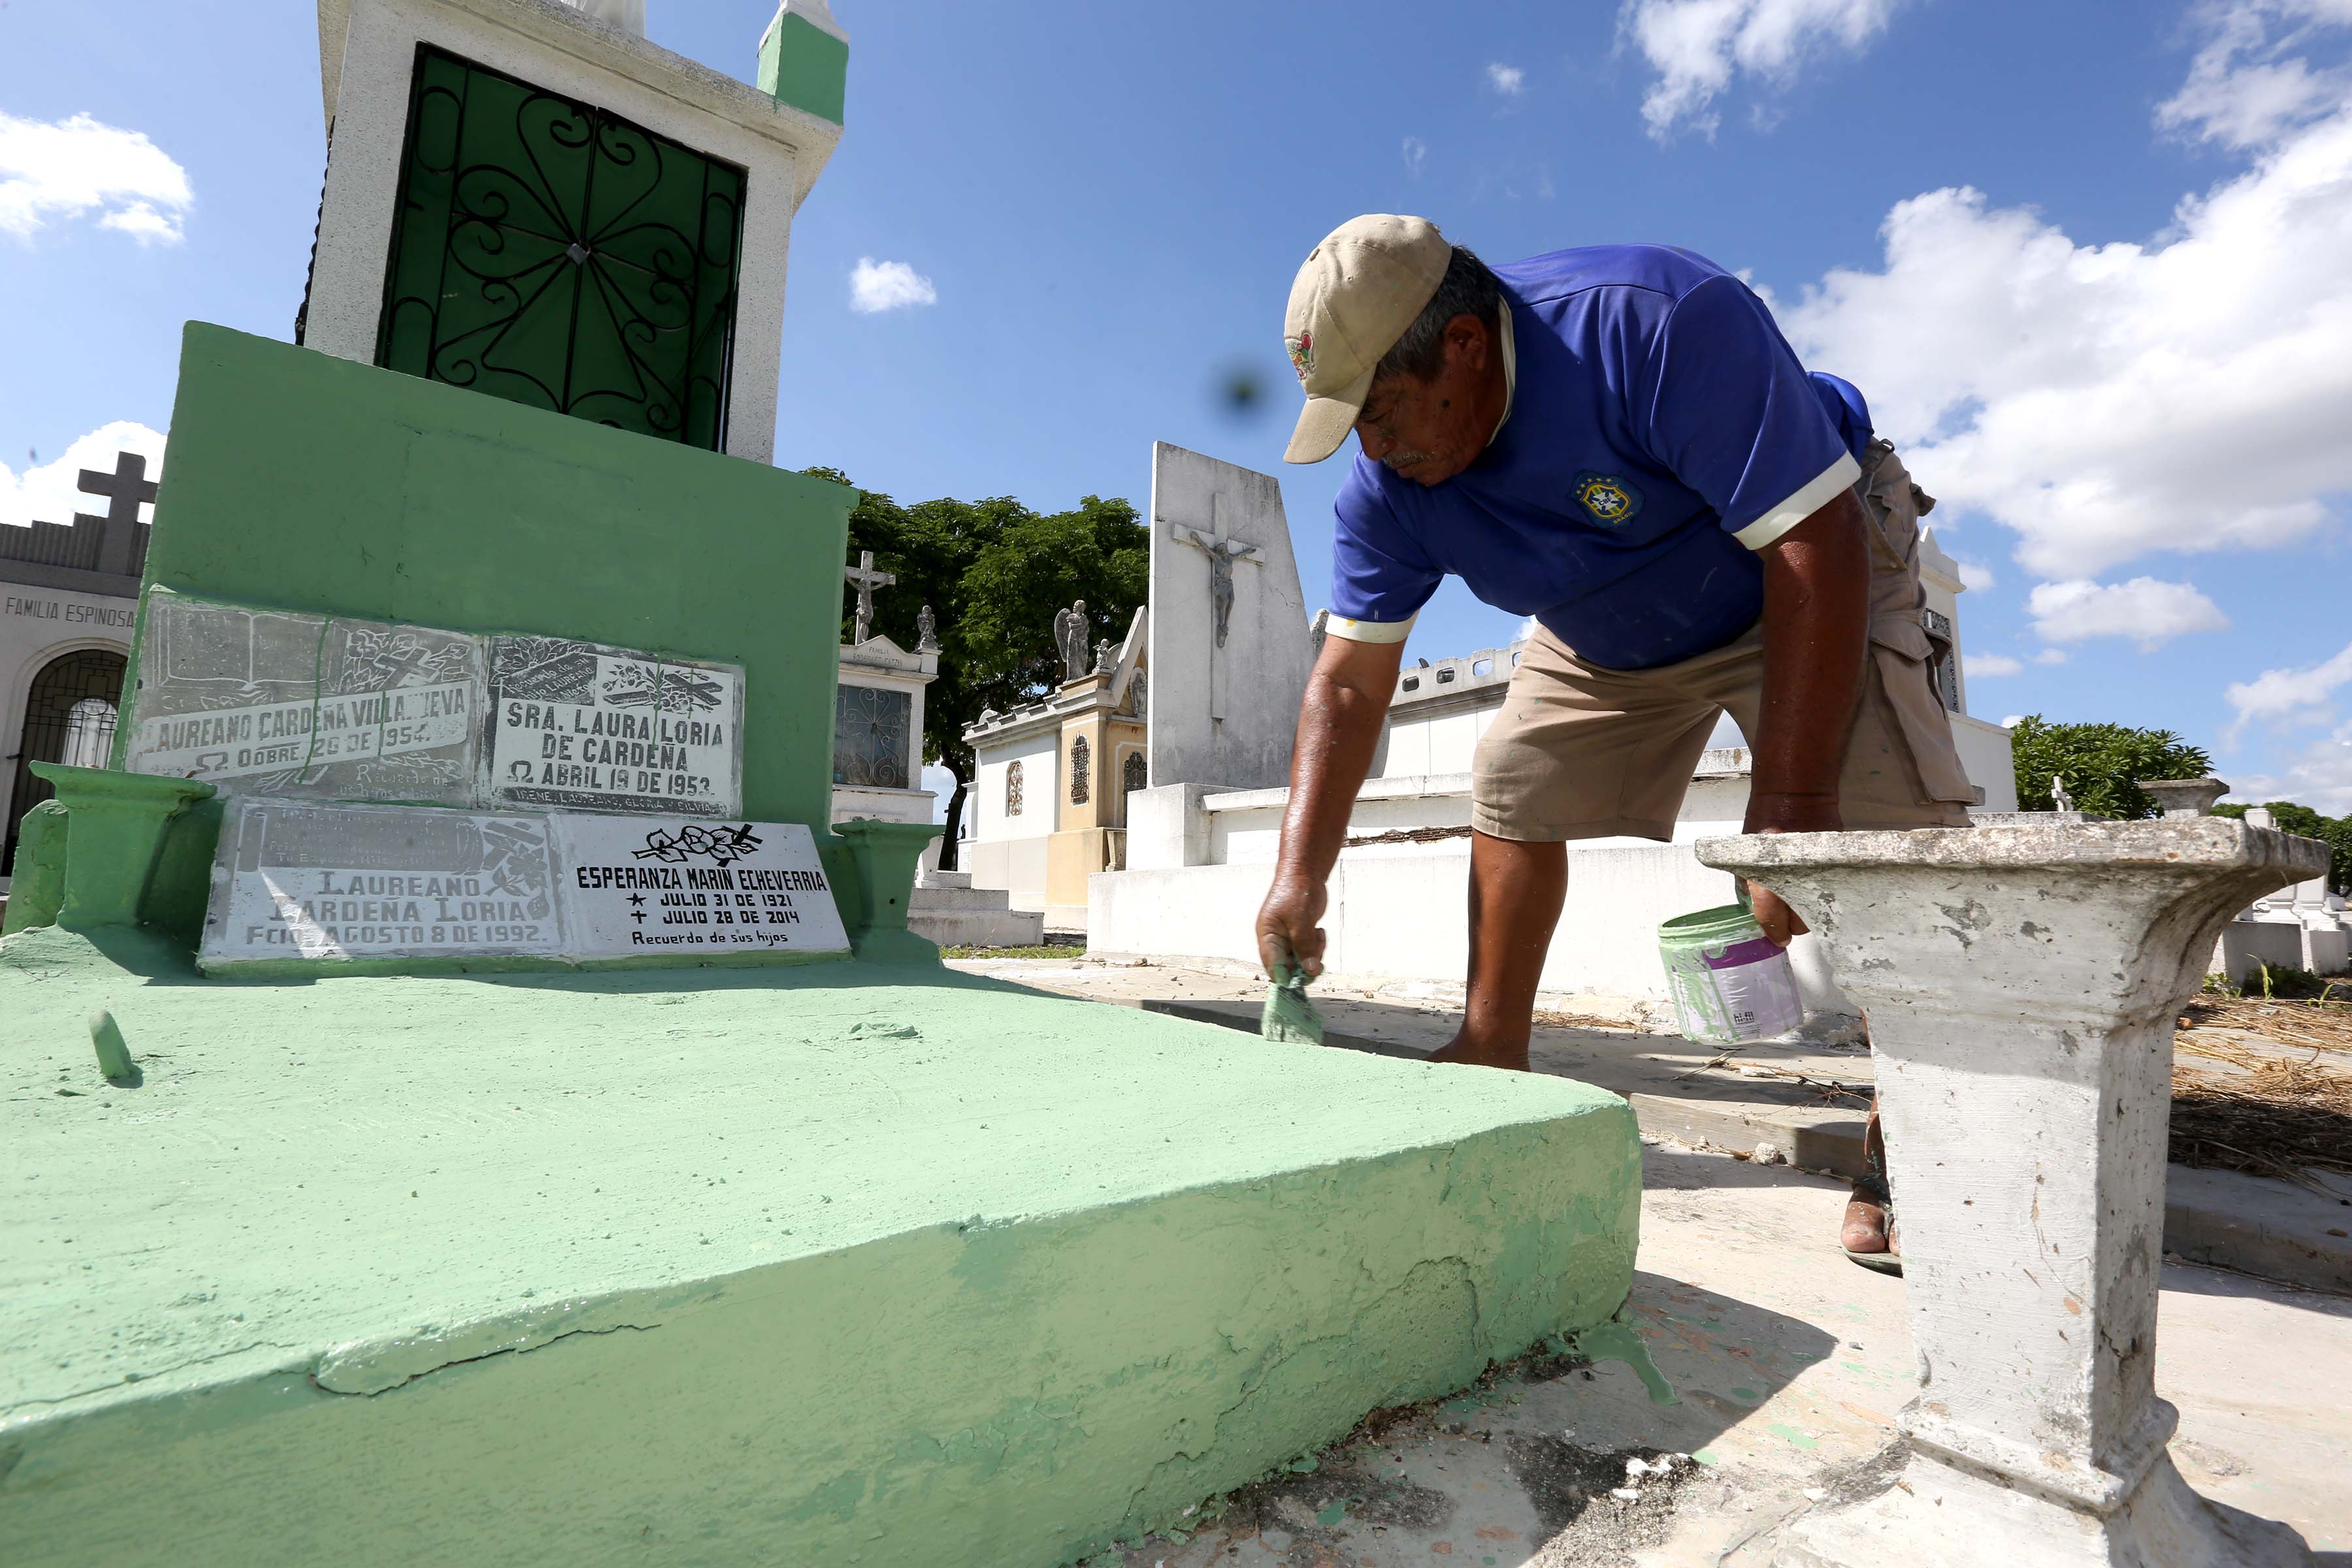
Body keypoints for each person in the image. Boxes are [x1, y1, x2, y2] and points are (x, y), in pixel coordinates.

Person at [1255, 216, 1976, 1266]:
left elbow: (1813, 545)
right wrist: (1297, 878)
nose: (1373, 446)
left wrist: (1790, 817)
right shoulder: (1390, 489)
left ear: (1462, 346)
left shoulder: (1655, 324)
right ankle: (1492, 1052)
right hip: (1606, 615)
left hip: (1805, 570)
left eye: (1381, 409)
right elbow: (1349, 686)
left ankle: (1914, 1143)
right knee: (1512, 775)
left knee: (1889, 846)